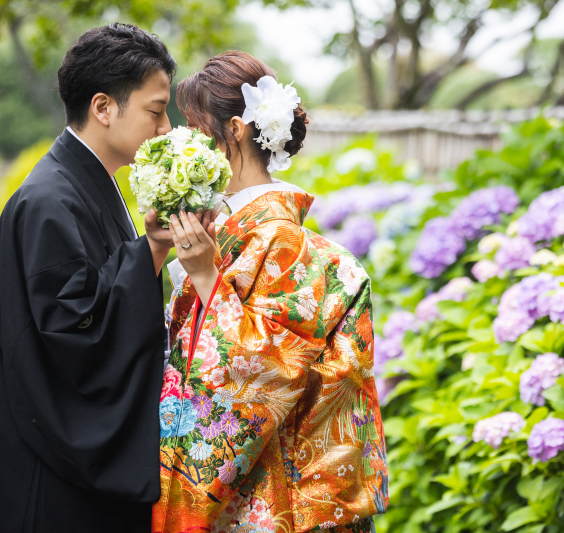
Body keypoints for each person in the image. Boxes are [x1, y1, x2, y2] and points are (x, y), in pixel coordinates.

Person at [0, 24, 176, 533]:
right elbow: (76, 332)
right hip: (41, 476)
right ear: (103, 107)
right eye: (156, 111)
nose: (164, 128)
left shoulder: (86, 183)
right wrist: (152, 251)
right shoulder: (50, 200)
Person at [153, 51, 388, 533]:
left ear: (235, 129)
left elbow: (264, 370)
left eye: (196, 128)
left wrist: (203, 276)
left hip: (285, 499)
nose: (186, 142)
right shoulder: (243, 233)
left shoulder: (279, 242)